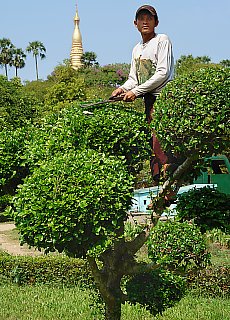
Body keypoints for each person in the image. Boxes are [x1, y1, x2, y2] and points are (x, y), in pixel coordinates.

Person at [111, 4, 176, 183]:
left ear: (156, 22)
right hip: (149, 101)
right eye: (142, 19)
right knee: (151, 146)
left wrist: (135, 92)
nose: (145, 22)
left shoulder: (162, 40)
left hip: (164, 98)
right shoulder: (137, 49)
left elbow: (163, 73)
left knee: (161, 144)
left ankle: (169, 186)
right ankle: (160, 186)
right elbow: (134, 78)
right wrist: (123, 89)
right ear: (135, 23)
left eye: (149, 18)